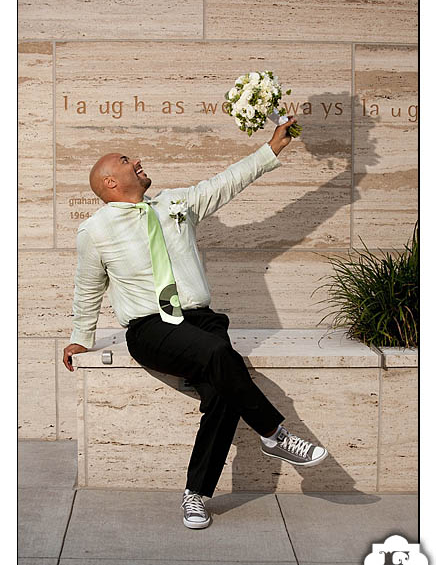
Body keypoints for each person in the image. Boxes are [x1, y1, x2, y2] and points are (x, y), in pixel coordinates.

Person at [63, 116, 328, 530]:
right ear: (110, 182)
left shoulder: (175, 204)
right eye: (127, 160)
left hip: (201, 320)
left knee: (223, 393)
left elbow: (225, 182)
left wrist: (273, 147)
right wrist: (81, 337)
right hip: (151, 328)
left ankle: (195, 495)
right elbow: (87, 285)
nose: (138, 162)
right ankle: (275, 433)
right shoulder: (94, 231)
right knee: (221, 353)